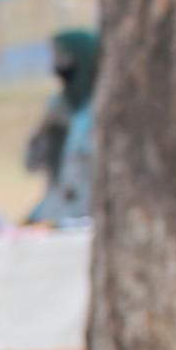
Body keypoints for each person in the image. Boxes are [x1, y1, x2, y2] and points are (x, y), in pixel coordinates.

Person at [29, 28, 99, 225]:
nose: (57, 64)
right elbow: (31, 164)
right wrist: (43, 128)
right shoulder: (57, 104)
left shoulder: (102, 105)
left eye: (62, 55)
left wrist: (71, 123)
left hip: (88, 211)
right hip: (56, 211)